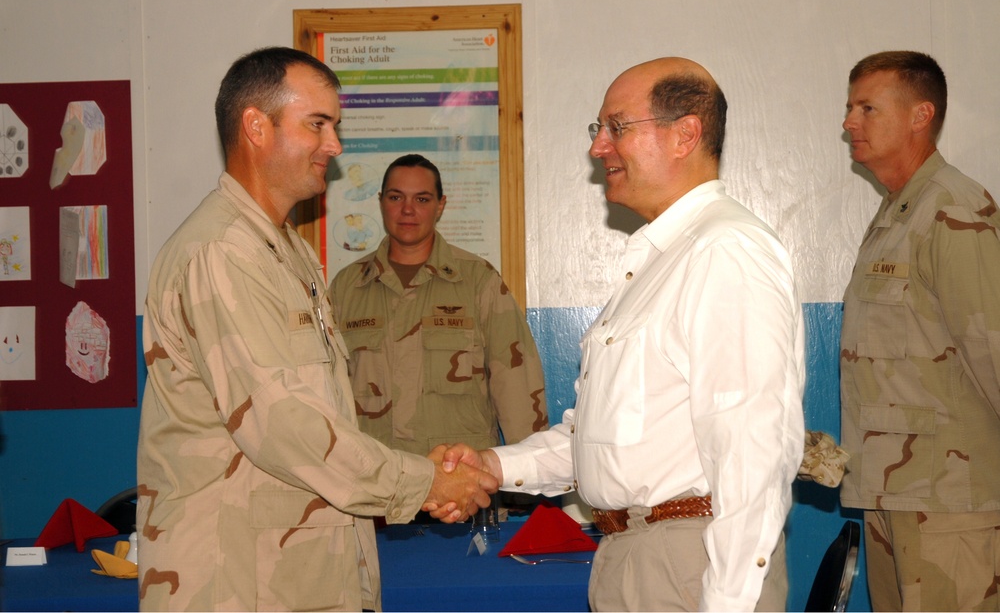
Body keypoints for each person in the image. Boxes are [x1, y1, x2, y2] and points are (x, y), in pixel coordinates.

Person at [437, 57, 806, 611]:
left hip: (692, 566)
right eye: (598, 130)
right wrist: (494, 466)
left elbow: (752, 455)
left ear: (685, 135)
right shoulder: (660, 261)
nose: (598, 147)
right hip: (634, 557)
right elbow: (601, 441)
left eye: (617, 127)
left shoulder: (724, 253)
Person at [136, 47, 496, 612]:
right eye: (318, 124)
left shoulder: (288, 251)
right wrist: (424, 482)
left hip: (299, 571)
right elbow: (285, 428)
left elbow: (321, 415)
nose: (335, 145)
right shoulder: (222, 253)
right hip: (238, 582)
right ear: (256, 126)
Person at [839, 50, 1000, 611]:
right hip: (896, 494)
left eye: (867, 108)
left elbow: (994, 350)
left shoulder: (953, 211)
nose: (849, 124)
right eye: (849, 108)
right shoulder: (896, 216)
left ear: (919, 115)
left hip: (951, 502)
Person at [329, 153, 548, 456]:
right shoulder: (347, 287)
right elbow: (328, 390)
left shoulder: (476, 280)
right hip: (377, 482)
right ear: (381, 201)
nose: (407, 210)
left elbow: (515, 383)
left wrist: (527, 472)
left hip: (460, 480)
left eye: (421, 199)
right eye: (396, 197)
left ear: (440, 205)